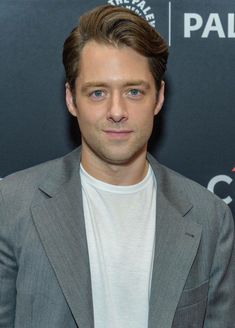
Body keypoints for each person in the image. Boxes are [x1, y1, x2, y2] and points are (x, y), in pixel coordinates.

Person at [0, 4, 234, 328]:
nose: (117, 111)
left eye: (134, 91)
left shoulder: (211, 218)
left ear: (159, 97)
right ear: (71, 99)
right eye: (97, 93)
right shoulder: (10, 207)